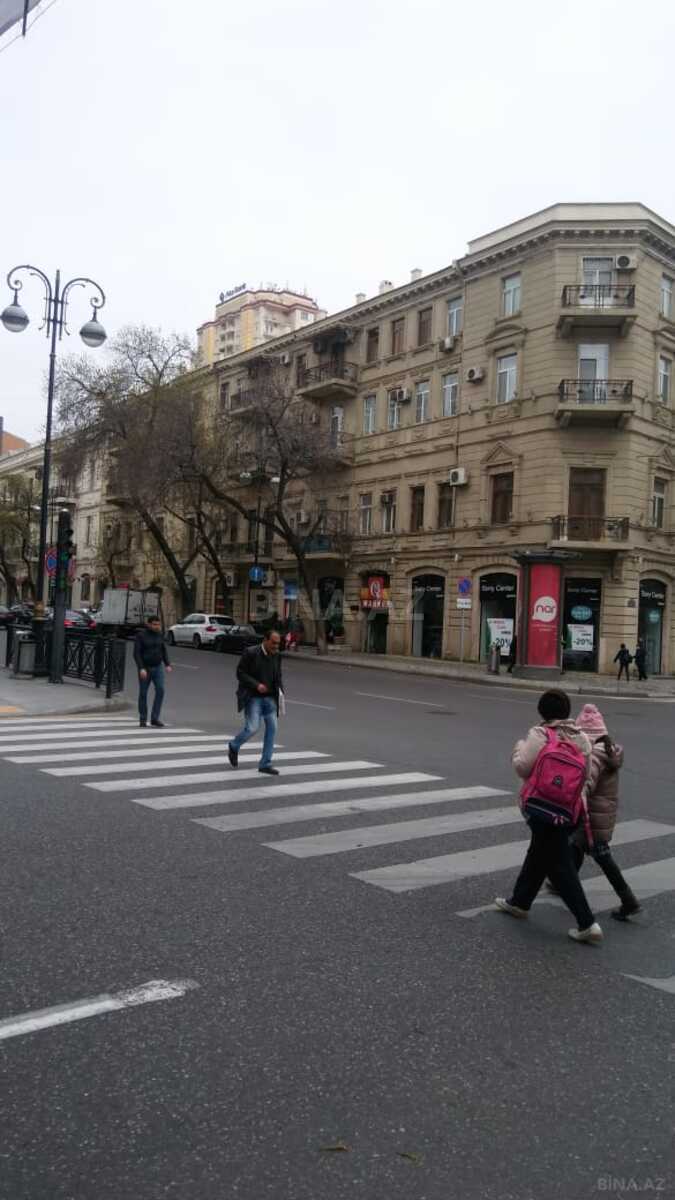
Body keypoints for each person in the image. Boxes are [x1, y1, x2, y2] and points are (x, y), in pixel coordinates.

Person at [495, 689, 603, 944]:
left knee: (559, 865)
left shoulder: (540, 733)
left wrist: (517, 749)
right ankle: (520, 902)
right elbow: (585, 776)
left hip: (541, 808)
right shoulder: (582, 738)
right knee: (539, 853)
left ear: (542, 711)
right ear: (567, 712)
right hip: (568, 810)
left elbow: (522, 767)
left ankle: (587, 923)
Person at [573, 704, 641, 921]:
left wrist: (574, 797)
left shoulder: (594, 755)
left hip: (592, 816)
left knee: (602, 857)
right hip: (603, 813)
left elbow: (587, 783)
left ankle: (629, 901)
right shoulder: (610, 750)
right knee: (574, 846)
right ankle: (562, 882)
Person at [228, 629, 284, 775]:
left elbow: (278, 676)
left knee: (272, 729)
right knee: (252, 728)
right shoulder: (251, 652)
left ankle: (265, 764)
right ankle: (234, 745)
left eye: (278, 644)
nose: (276, 646)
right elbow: (240, 673)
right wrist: (256, 685)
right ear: (265, 640)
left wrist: (280, 695)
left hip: (270, 698)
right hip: (253, 697)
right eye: (273, 643)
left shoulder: (277, 655)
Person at [134, 615, 172, 728]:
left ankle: (155, 718)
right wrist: (141, 668)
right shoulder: (141, 636)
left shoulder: (159, 635)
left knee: (160, 690)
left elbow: (163, 650)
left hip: (158, 667)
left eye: (158, 624)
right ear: (149, 624)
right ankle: (143, 718)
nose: (157, 626)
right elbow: (136, 653)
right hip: (145, 668)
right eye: (155, 624)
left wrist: (167, 664)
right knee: (143, 693)